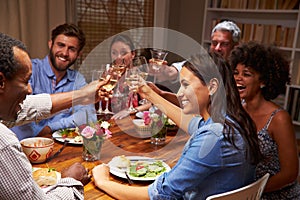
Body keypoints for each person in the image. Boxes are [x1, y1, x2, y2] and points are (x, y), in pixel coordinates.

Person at [92, 52, 263, 199]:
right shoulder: (230, 121)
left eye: (186, 85)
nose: (179, 93)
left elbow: (160, 194)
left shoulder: (214, 136)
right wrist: (148, 93)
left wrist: (102, 181)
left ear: (212, 87)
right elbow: (192, 123)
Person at [0, 32, 110, 199]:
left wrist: (82, 95)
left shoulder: (76, 78)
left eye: (72, 48)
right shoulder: (4, 144)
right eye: (25, 81)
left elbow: (29, 107)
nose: (30, 90)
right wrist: (69, 181)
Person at [230, 41, 300, 199]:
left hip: (277, 195)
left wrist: (250, 192)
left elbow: (290, 173)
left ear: (263, 81)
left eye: (246, 74)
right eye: (236, 72)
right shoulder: (238, 108)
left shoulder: (279, 118)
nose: (238, 78)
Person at [11, 23, 96, 140]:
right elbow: (21, 110)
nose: (65, 53)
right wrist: (40, 132)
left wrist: (50, 128)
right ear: (50, 44)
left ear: (79, 54)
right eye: (61, 45)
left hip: (59, 147)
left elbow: (89, 116)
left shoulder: (78, 79)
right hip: (23, 145)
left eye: (72, 49)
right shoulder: (30, 69)